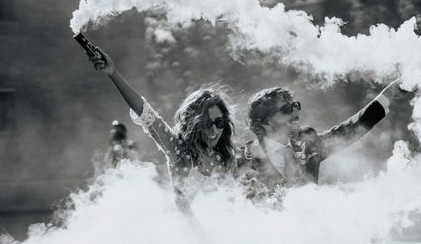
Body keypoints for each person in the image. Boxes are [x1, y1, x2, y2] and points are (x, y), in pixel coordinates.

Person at [88, 49, 236, 182]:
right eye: (206, 123)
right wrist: (113, 73)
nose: (214, 130)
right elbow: (145, 112)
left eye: (219, 122)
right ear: (193, 123)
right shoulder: (179, 154)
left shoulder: (227, 157)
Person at [237, 83, 397, 194]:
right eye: (286, 109)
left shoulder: (308, 143)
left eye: (295, 106)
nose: (295, 113)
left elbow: (350, 130)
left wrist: (390, 94)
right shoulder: (245, 158)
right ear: (265, 121)